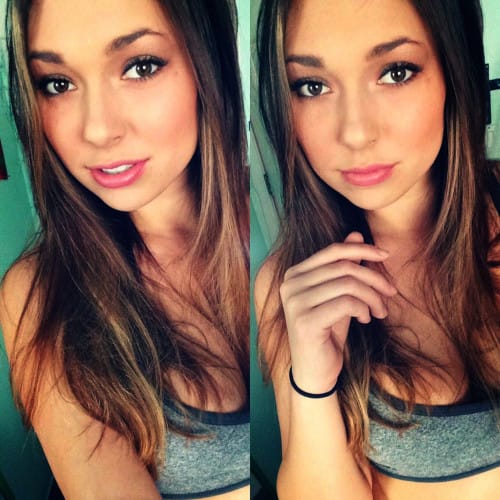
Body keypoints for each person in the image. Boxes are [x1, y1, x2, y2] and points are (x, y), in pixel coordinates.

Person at [0, 0, 249, 498]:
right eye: (57, 84)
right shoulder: (41, 295)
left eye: (140, 66)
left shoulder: (283, 235)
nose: (97, 129)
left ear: (207, 63)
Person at [254, 0, 499, 498]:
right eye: (312, 86)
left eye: (396, 72)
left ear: (453, 73)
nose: (355, 133)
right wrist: (313, 384)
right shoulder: (291, 286)